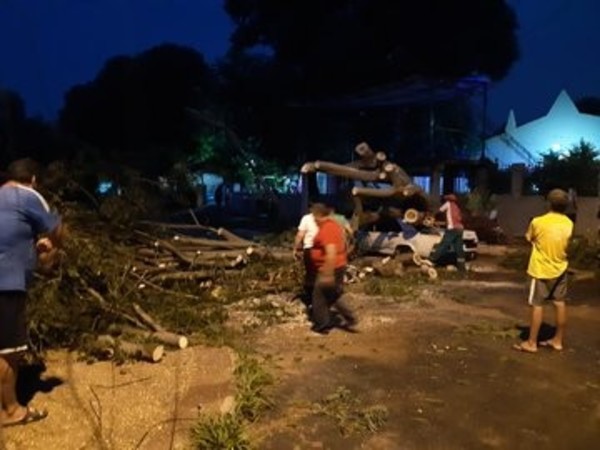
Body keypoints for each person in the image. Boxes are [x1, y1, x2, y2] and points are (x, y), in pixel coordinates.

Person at [0, 158, 63, 427]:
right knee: (7, 350)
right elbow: (57, 227)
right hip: (6, 283)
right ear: (33, 180)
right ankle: (11, 411)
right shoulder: (26, 195)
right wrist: (50, 246)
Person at [513, 189, 573, 354]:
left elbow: (529, 238)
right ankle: (558, 340)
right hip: (560, 268)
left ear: (548, 203)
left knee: (537, 305)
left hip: (540, 269)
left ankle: (532, 342)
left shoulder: (538, 222)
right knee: (559, 303)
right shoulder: (569, 223)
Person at [309, 203, 357, 334]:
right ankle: (349, 317)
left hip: (330, 267)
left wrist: (327, 274)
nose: (313, 219)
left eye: (314, 216)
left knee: (318, 296)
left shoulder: (327, 229)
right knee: (332, 294)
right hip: (337, 265)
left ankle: (322, 325)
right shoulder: (333, 225)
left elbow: (330, 252)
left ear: (318, 215)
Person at [427, 193, 466, 271]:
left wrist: (431, 215)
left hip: (452, 228)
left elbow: (439, 210)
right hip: (460, 229)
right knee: (459, 247)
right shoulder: (456, 207)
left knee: (443, 244)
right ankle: (461, 267)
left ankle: (431, 260)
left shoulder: (448, 204)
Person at [293, 206, 320, 306]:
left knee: (310, 274)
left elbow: (300, 235)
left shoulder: (307, 218)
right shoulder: (326, 219)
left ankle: (310, 299)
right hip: (323, 251)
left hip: (310, 250)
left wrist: (295, 248)